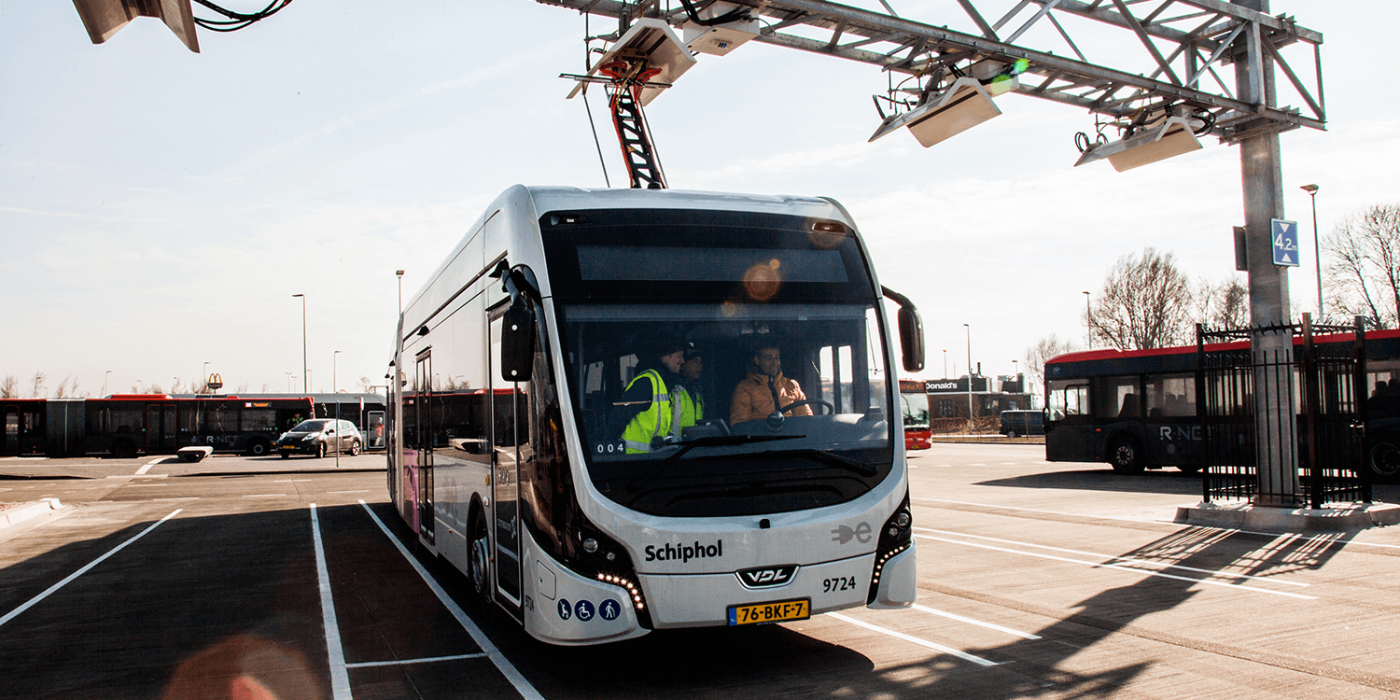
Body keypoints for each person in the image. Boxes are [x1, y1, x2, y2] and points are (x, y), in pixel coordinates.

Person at [618, 335, 688, 454]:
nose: (683, 361)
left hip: (651, 461)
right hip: (632, 462)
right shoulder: (646, 383)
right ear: (666, 357)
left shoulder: (663, 383)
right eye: (679, 356)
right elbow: (617, 419)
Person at [729, 342, 812, 425]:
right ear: (757, 360)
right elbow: (739, 425)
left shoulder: (792, 385)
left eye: (777, 358)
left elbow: (807, 420)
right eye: (769, 358)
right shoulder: (745, 388)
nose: (774, 363)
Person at [674, 343, 705, 431]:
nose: (700, 366)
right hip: (674, 443)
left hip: (693, 443)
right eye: (695, 361)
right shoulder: (673, 389)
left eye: (701, 362)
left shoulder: (697, 392)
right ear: (683, 364)